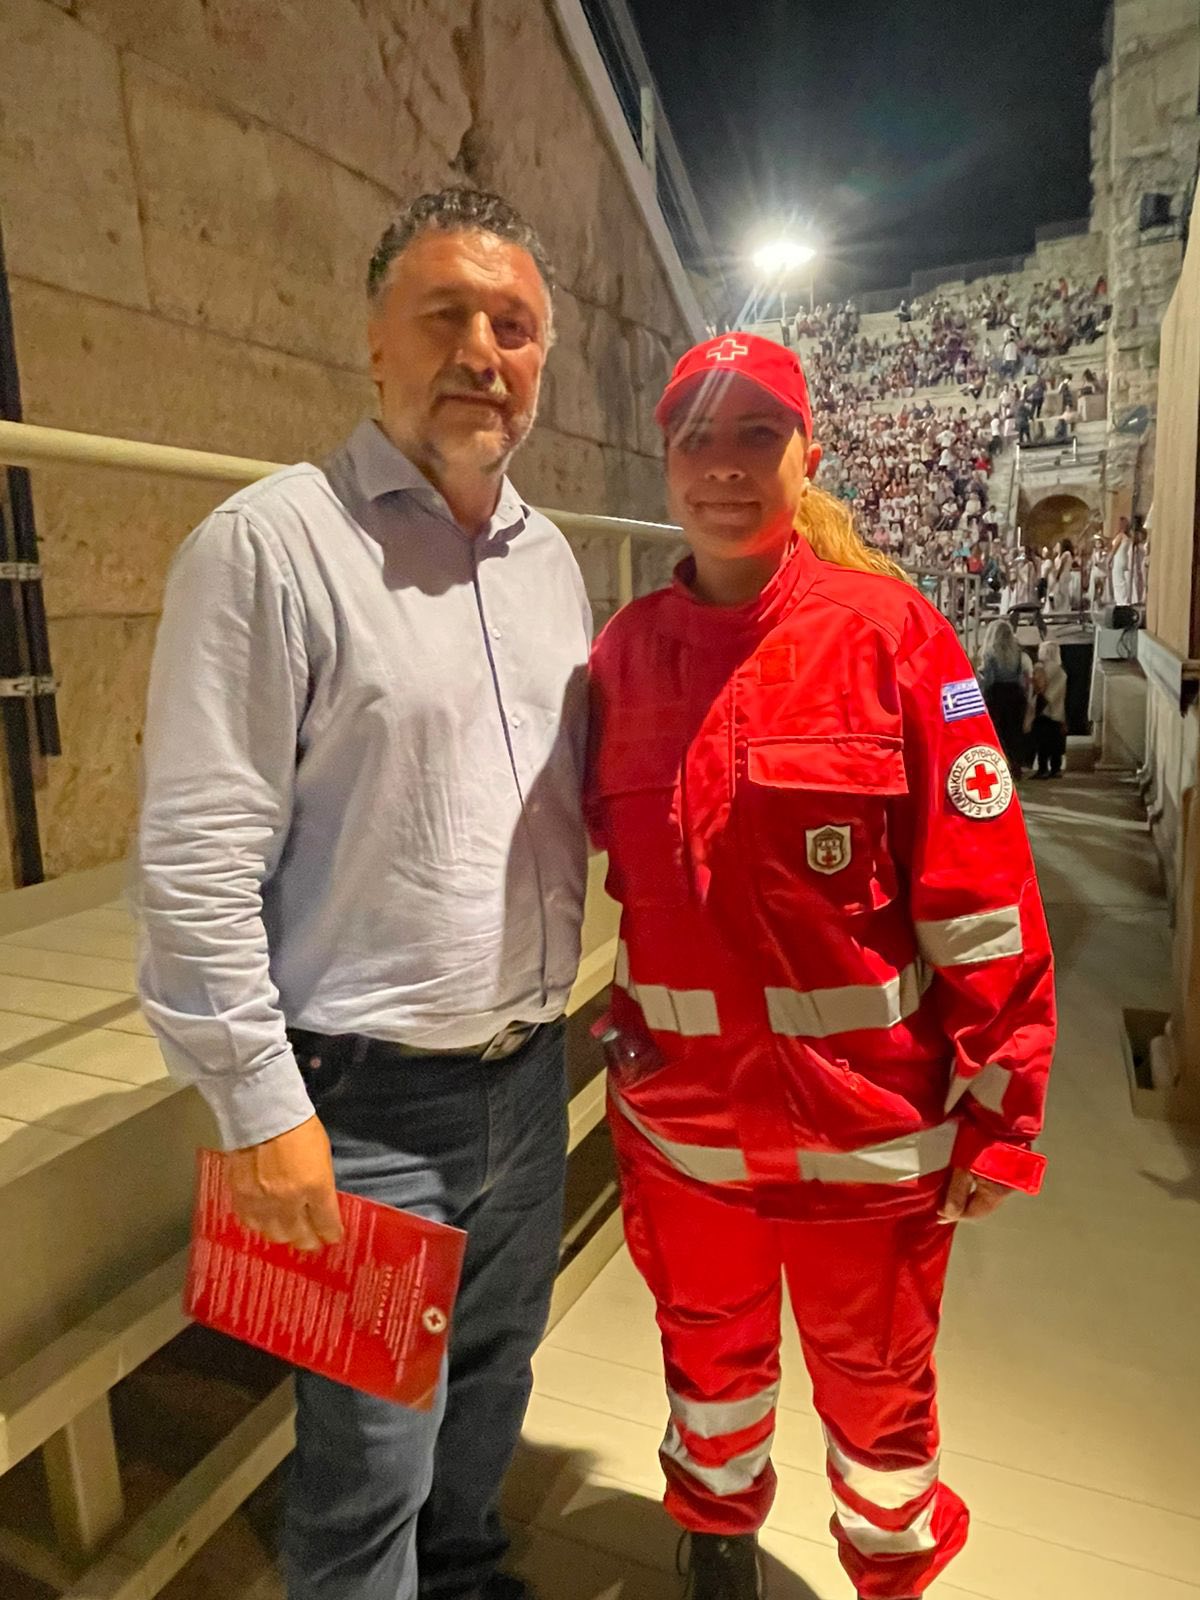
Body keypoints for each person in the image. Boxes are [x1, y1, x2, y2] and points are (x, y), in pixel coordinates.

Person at [137, 189, 592, 1600]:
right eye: (444, 315)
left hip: (529, 1074)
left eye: (513, 325)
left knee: (494, 1388)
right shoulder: (270, 547)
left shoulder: (551, 560)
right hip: (364, 1105)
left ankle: (462, 1582)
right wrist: (260, 1108)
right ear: (374, 342)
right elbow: (196, 857)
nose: (482, 351)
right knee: (366, 1472)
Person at [587, 334, 1055, 1600]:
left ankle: (890, 1572)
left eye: (757, 435)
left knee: (881, 1403)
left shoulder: (895, 638)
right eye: (697, 438)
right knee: (708, 1371)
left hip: (869, 1145)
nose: (723, 466)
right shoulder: (622, 656)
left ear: (809, 453)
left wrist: (1004, 1112)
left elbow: (985, 903)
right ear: (664, 457)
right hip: (687, 1137)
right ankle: (716, 1541)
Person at [978, 618, 1032, 776]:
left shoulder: (989, 654)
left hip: (997, 695)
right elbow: (1022, 677)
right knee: (1014, 733)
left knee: (997, 733)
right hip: (1016, 694)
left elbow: (989, 680)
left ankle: (1000, 768)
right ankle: (1016, 766)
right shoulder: (1019, 653)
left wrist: (981, 694)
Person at [1028, 642, 1069, 779]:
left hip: (1043, 709)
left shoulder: (1041, 668)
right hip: (1057, 711)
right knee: (1055, 742)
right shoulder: (1061, 672)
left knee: (1042, 742)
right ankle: (1055, 769)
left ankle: (1043, 769)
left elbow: (1039, 688)